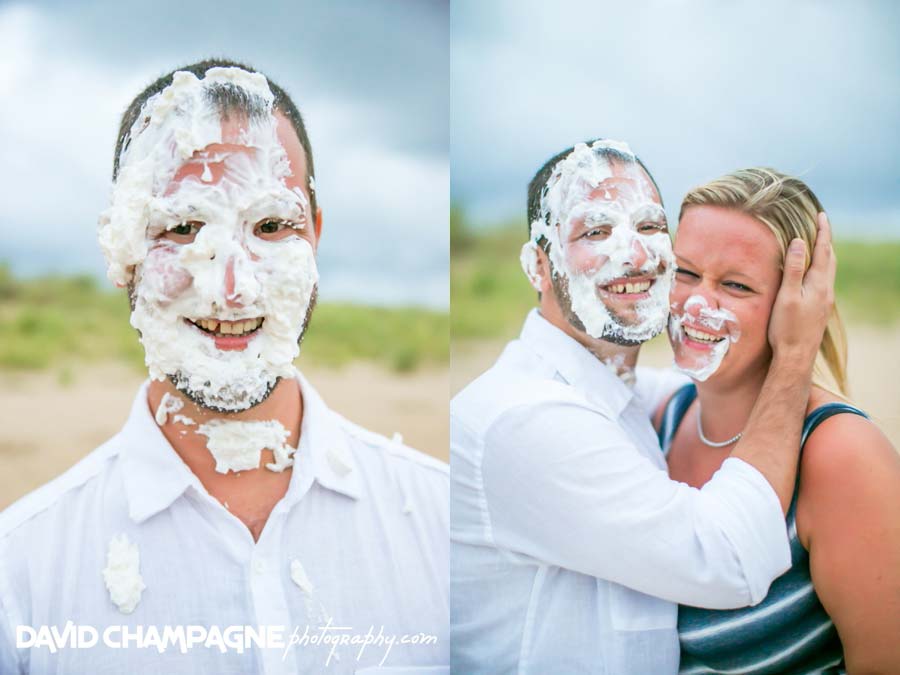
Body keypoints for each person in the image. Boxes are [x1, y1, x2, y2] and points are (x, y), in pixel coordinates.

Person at [0, 59, 448, 674]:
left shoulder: (440, 520)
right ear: (123, 247)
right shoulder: (21, 573)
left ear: (314, 238)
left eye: (270, 226)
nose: (232, 290)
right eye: (183, 228)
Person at [450, 139, 836, 673]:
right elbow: (726, 559)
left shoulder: (620, 393)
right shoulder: (527, 416)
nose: (635, 253)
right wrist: (794, 356)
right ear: (539, 266)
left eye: (651, 226)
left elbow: (695, 393)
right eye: (597, 231)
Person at [656, 168, 900, 674]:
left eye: (736, 285)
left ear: (799, 303)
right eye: (684, 272)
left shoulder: (842, 456)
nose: (698, 302)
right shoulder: (661, 422)